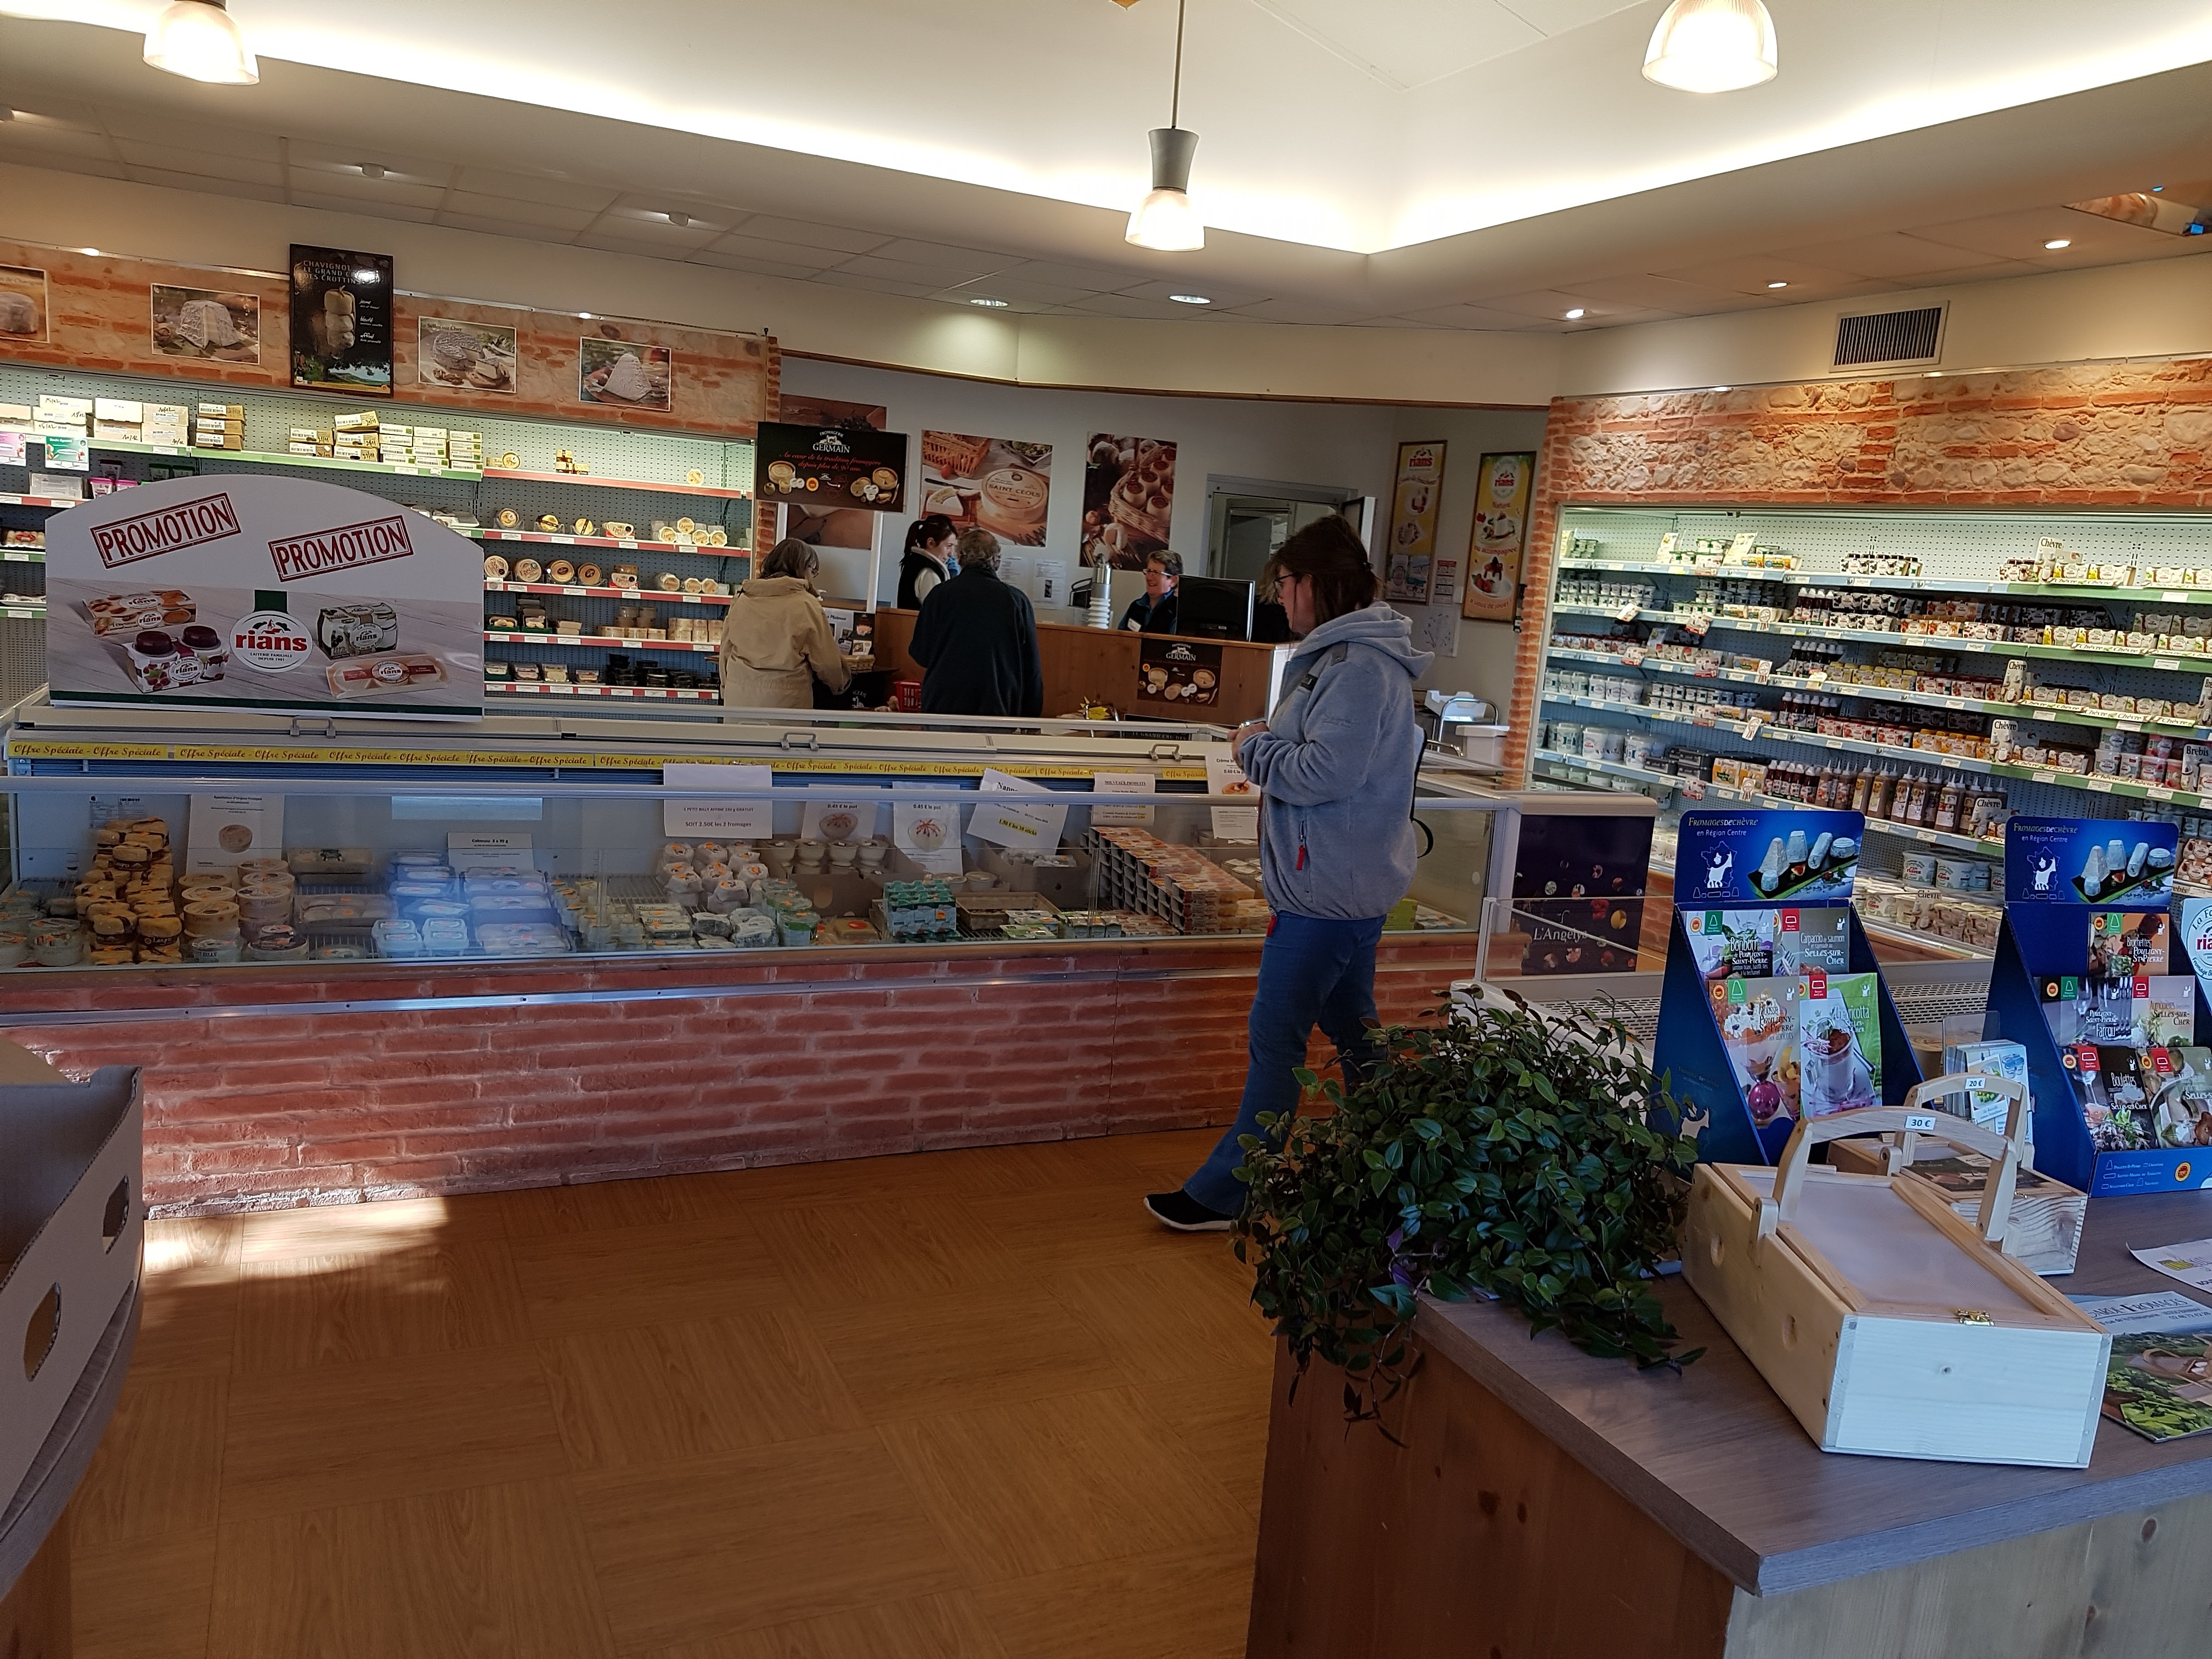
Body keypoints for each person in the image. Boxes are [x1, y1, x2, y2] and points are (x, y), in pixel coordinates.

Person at [1145, 514, 1432, 1231]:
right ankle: (1402, 1170)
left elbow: (1324, 773)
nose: (1279, 596)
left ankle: (1230, 1192)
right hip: (1339, 884)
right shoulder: (1345, 659)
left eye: (1284, 582)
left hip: (1325, 893)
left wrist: (1252, 745)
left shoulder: (1358, 668)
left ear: (1317, 583)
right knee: (1358, 1039)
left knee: (1276, 1039)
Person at [718, 538, 867, 710]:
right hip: (785, 703)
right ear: (803, 568)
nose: (813, 578)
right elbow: (827, 663)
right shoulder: (806, 605)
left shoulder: (741, 600)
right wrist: (840, 684)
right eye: (813, 571)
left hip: (738, 701)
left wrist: (726, 689)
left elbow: (726, 651)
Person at [909, 527, 1044, 717]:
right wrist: (1031, 719)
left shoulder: (939, 595)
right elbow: (1031, 668)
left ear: (960, 559)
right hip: (998, 707)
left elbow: (921, 654)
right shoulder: (1016, 601)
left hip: (943, 705)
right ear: (997, 562)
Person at [896, 513, 958, 610]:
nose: (951, 553)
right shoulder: (929, 573)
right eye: (949, 546)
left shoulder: (914, 562)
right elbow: (937, 612)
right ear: (931, 543)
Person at [1118, 550, 1182, 634]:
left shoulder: (1177, 611)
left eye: (1156, 573)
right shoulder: (1136, 606)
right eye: (1149, 571)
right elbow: (1120, 637)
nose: (1149, 578)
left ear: (1173, 581)